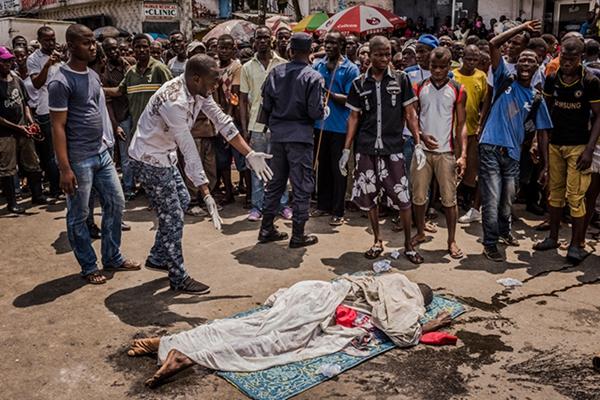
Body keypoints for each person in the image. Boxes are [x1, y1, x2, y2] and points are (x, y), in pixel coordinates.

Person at [125, 273, 451, 388]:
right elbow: (402, 333)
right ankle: (186, 355)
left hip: (313, 291)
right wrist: (426, 325)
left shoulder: (383, 279)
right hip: (326, 309)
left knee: (254, 323)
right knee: (275, 341)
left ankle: (170, 342)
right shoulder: (411, 300)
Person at [129, 54, 273, 294]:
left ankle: (157, 256)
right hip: (149, 159)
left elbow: (222, 121)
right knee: (172, 215)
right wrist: (206, 192)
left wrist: (249, 154)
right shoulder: (174, 101)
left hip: (164, 155)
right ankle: (178, 276)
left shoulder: (199, 91)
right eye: (213, 82)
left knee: (182, 201)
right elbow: (188, 148)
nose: (216, 86)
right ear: (196, 78)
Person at [48, 24, 140, 284]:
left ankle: (112, 256)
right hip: (78, 159)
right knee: (79, 215)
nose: (92, 47)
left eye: (93, 42)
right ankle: (88, 266)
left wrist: (106, 138)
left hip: (101, 154)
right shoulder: (60, 81)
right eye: (86, 42)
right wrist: (65, 168)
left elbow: (97, 109)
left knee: (116, 203)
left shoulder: (91, 74)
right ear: (70, 46)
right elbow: (57, 126)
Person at [340, 36, 426, 263]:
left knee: (403, 198)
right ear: (370, 55)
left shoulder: (401, 79)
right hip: (367, 148)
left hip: (393, 148)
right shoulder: (359, 84)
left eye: (388, 54)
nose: (384, 58)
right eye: (379, 54)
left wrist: (418, 143)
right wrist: (346, 150)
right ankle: (377, 240)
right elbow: (354, 118)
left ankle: (408, 244)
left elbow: (410, 114)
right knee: (370, 198)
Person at [478, 20, 553, 262]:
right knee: (491, 199)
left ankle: (504, 232)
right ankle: (490, 244)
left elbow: (543, 132)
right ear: (516, 63)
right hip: (490, 146)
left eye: (531, 61)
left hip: (513, 154)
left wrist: (546, 165)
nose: (526, 63)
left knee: (508, 197)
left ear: (538, 66)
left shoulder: (537, 97)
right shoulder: (503, 78)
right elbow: (493, 43)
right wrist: (522, 28)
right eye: (522, 59)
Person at [534, 37, 600, 263]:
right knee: (555, 192)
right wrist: (539, 141)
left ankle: (576, 244)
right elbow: (547, 111)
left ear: (580, 58)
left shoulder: (590, 81)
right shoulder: (552, 79)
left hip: (578, 146)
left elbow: (599, 115)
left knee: (576, 196)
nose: (567, 63)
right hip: (555, 144)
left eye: (571, 59)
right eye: (564, 58)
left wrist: (590, 149)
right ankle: (553, 237)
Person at [257, 32, 325, 248]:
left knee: (275, 184)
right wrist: (324, 110)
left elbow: (264, 105)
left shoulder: (276, 72)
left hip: (277, 136)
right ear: (310, 52)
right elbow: (315, 112)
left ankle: (266, 228)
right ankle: (298, 235)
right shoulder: (313, 77)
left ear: (290, 50)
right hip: (301, 138)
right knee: (302, 185)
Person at [410, 47, 467, 260]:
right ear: (428, 64)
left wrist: (463, 155)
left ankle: (451, 240)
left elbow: (462, 124)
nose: (438, 70)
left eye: (443, 67)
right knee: (418, 196)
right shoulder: (419, 87)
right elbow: (413, 116)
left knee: (449, 200)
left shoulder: (458, 89)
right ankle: (421, 232)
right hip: (422, 151)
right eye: (434, 66)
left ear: (450, 66)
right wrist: (421, 135)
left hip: (446, 152)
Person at [239, 26, 288, 222]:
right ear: (254, 41)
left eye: (266, 38)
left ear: (271, 40)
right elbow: (243, 100)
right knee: (257, 169)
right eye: (259, 38)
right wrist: (244, 129)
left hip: (278, 126)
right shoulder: (246, 67)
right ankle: (257, 206)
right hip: (256, 127)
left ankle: (282, 205)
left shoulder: (283, 64)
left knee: (279, 168)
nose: (262, 41)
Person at [312, 31, 360, 226]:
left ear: (341, 45)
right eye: (326, 43)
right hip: (320, 125)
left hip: (340, 127)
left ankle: (338, 209)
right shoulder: (319, 65)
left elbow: (350, 98)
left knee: (338, 168)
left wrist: (328, 92)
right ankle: (323, 205)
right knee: (322, 167)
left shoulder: (350, 68)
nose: (329, 46)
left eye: (333, 43)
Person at [0, 46, 45, 214]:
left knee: (32, 163)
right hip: (5, 134)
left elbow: (24, 103)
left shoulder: (16, 78)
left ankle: (37, 195)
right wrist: (17, 128)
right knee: (8, 169)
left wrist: (31, 122)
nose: (8, 63)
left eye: (9, 60)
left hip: (24, 129)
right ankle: (12, 203)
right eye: (4, 61)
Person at [104, 33, 172, 134]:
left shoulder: (159, 69)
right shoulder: (131, 73)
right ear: (133, 48)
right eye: (138, 47)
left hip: (159, 129)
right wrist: (99, 88)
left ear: (149, 48)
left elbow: (173, 94)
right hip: (138, 129)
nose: (141, 50)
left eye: (144, 47)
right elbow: (119, 91)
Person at [454, 45, 488, 224]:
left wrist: (482, 122)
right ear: (462, 57)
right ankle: (451, 198)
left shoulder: (481, 76)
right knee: (453, 165)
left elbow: (484, 102)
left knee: (471, 167)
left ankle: (465, 198)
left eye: (475, 60)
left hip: (473, 130)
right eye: (469, 59)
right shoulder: (453, 75)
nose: (472, 62)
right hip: (453, 129)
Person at [27, 26, 61, 199]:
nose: (51, 42)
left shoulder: (60, 54)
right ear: (39, 40)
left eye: (53, 38)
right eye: (47, 39)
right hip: (46, 110)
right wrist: (48, 65)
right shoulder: (33, 59)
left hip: (63, 108)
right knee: (50, 153)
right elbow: (36, 84)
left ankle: (65, 185)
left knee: (65, 149)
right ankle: (55, 189)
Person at [102, 37, 135, 200]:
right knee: (125, 155)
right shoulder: (105, 71)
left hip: (135, 113)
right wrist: (116, 125)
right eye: (109, 50)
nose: (114, 52)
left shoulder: (130, 64)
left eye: (115, 48)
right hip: (120, 116)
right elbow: (108, 101)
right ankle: (128, 188)